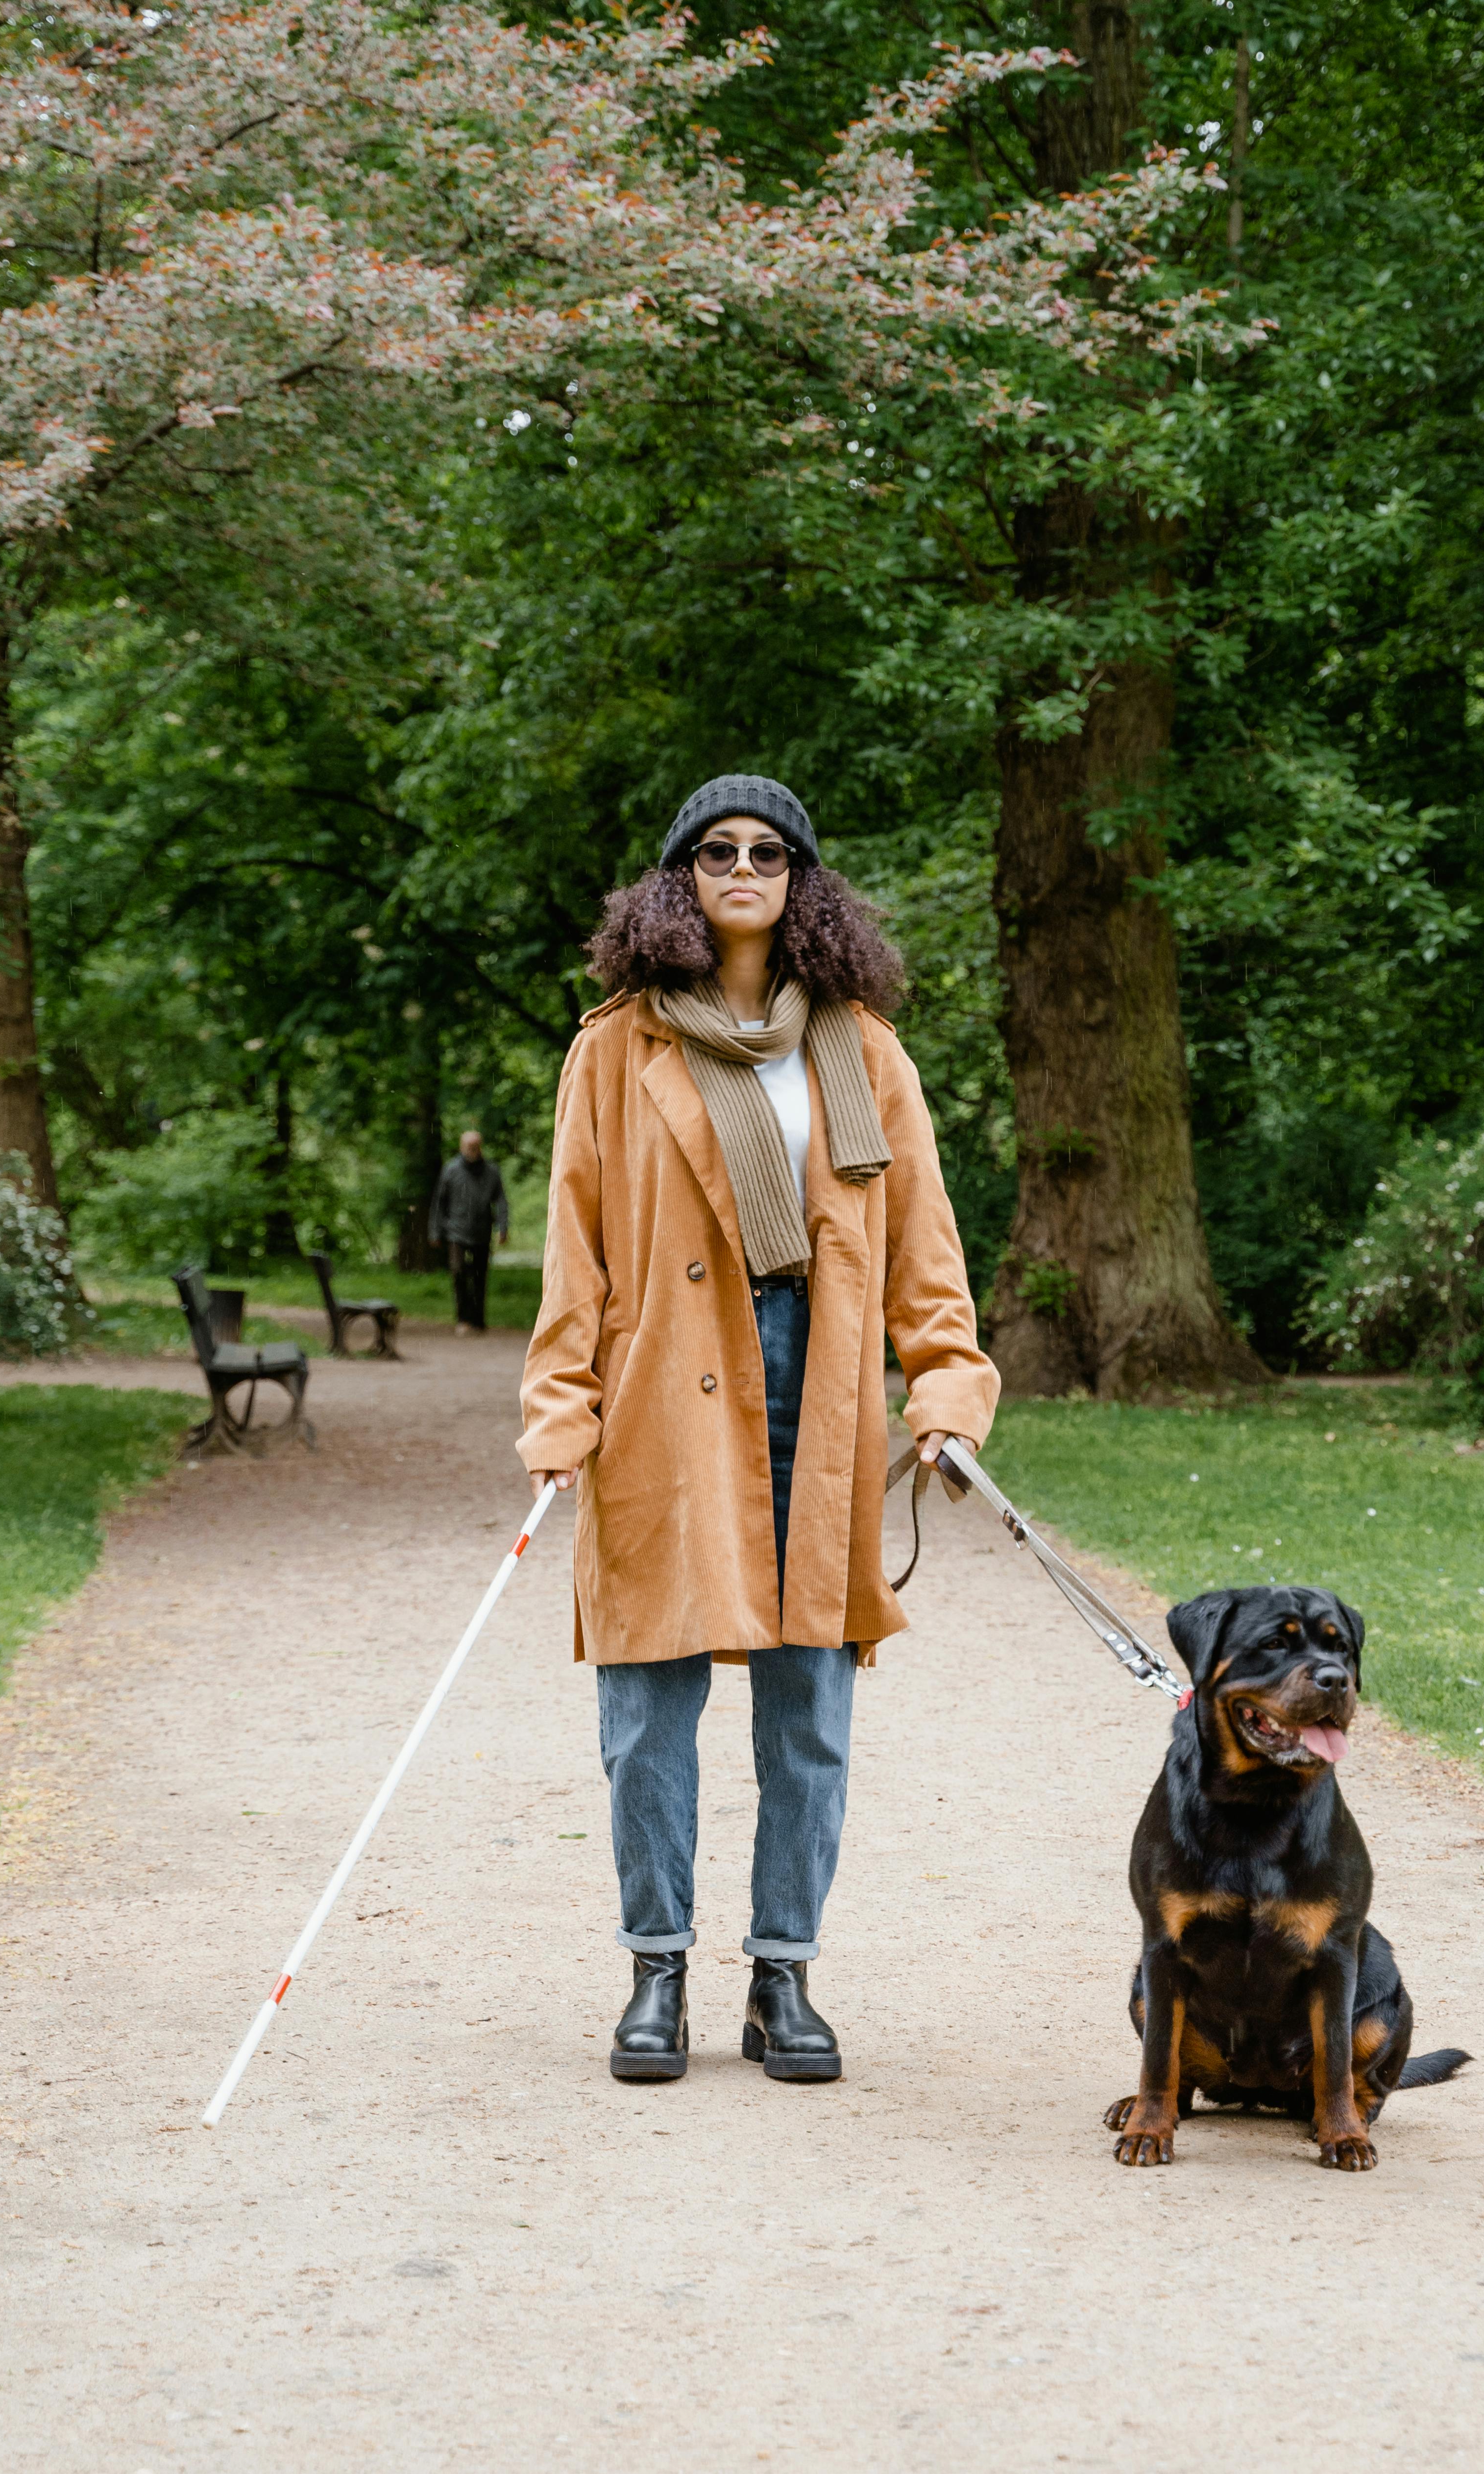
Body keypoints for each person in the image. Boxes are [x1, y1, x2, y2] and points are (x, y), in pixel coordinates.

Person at [518, 774, 999, 2088]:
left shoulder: (864, 1049)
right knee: (646, 1707)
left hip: (821, 1385)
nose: (745, 866)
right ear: (680, 879)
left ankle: (784, 1977)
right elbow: (578, 1247)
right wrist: (562, 1407)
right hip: (664, 1389)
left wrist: (945, 1392)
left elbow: (923, 1252)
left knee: (810, 1711)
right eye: (718, 849)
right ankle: (655, 1974)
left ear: (801, 881)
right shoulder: (617, 1047)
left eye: (770, 851)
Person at [429, 1129, 508, 1336]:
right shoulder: (451, 1170)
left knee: (480, 1277)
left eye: (476, 1146)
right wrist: (435, 1231)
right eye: (469, 1147)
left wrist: (503, 1227)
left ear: (481, 1147)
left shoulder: (492, 1171)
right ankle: (463, 1319)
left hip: (482, 1231)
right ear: (462, 1147)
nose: (472, 1150)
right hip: (456, 1231)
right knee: (459, 1272)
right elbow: (440, 1202)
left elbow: (501, 1200)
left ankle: (479, 1321)